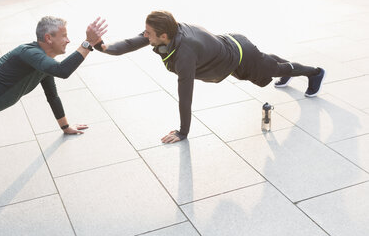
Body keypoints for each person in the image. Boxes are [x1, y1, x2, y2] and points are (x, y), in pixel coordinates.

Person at [94, 10, 325, 143]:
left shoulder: (185, 54)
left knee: (275, 69)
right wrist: (101, 47)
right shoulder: (168, 31)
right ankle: (281, 68)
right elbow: (129, 43)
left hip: (240, 56)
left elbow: (185, 96)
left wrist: (182, 132)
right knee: (268, 62)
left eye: (149, 33)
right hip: (232, 46)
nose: (145, 36)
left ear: (163, 35)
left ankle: (314, 73)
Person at [0, 16, 107, 134]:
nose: (68, 40)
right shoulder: (29, 53)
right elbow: (63, 71)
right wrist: (88, 43)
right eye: (64, 35)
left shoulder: (42, 63)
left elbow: (52, 96)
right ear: (48, 38)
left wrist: (66, 127)